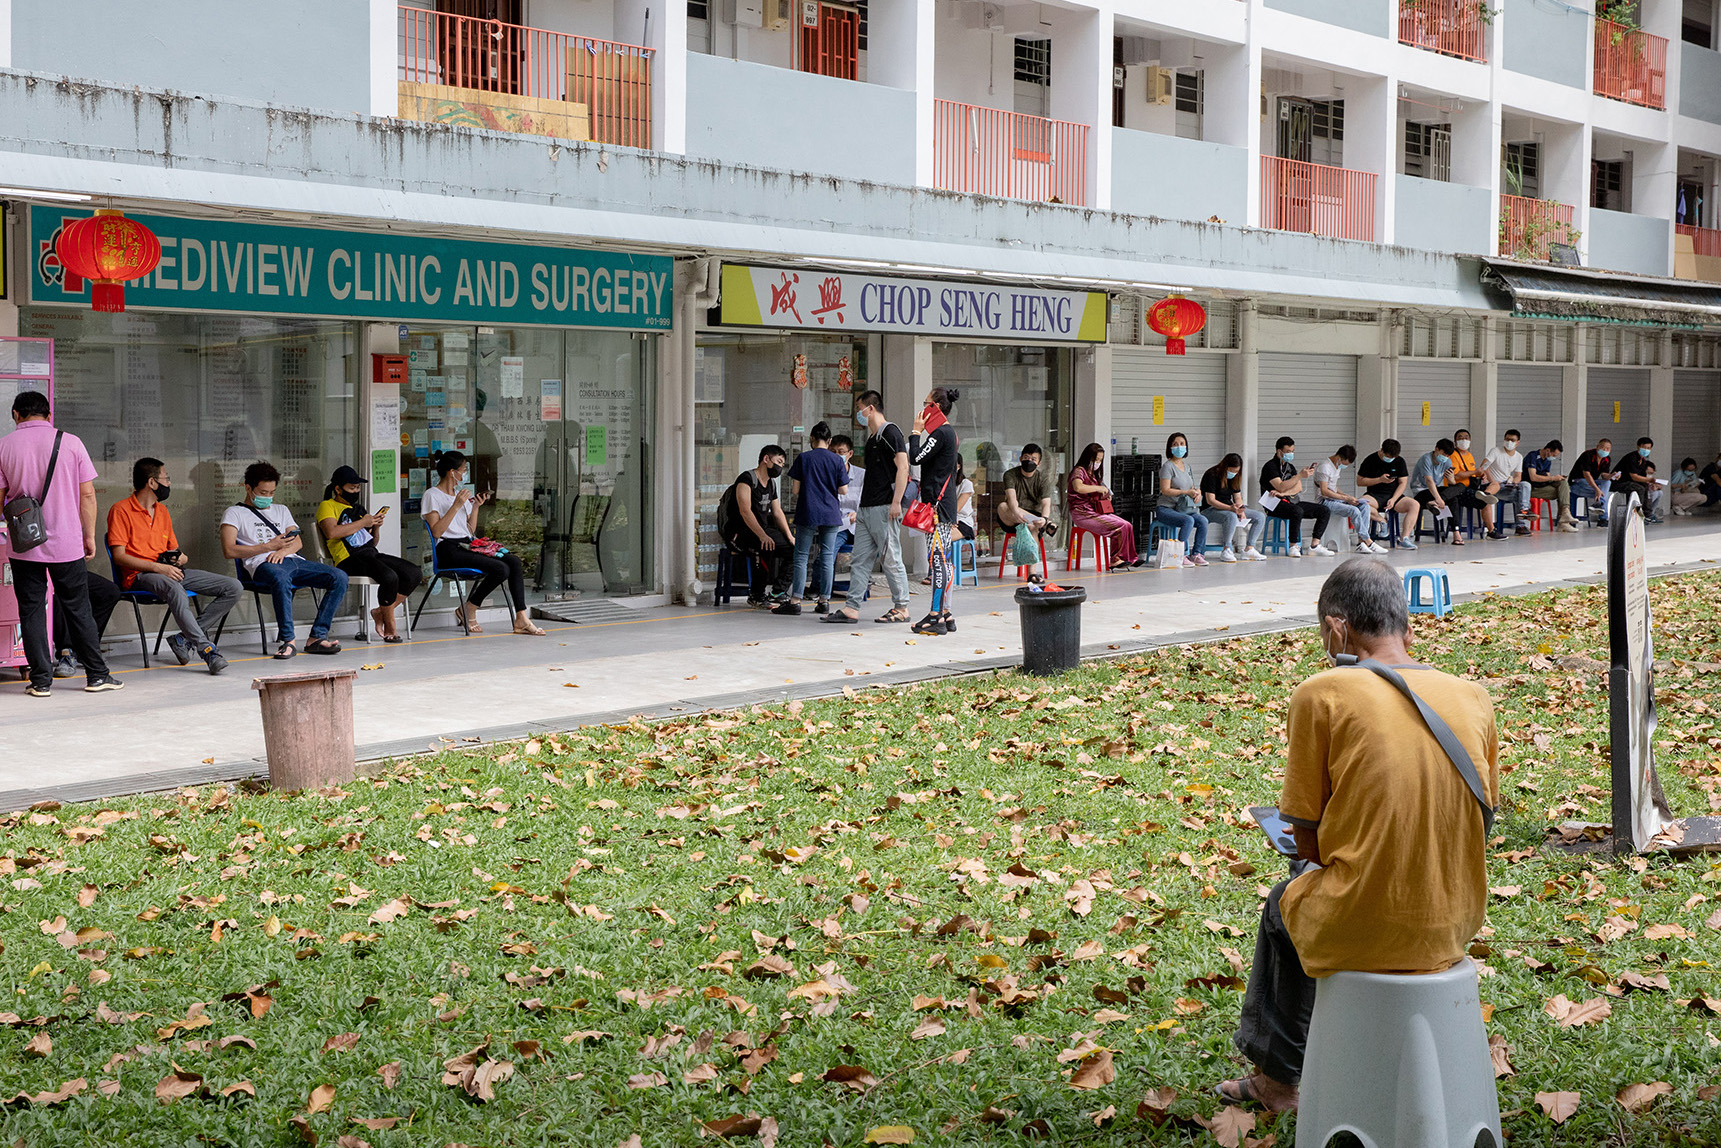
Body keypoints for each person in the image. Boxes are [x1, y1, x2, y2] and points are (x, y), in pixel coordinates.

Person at [1216, 558, 1498, 1113]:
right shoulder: (1474, 696)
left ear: (1336, 628)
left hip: (1366, 920)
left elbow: (1307, 838)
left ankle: (1277, 1083)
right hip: (1456, 920)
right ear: (1407, 628)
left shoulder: (1322, 693)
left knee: (1283, 906)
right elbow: (1480, 818)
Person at [0, 390, 122, 696]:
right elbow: (88, 494)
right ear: (48, 414)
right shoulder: (71, 442)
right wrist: (89, 535)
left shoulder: (4, 446)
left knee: (31, 610)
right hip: (67, 543)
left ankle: (40, 681)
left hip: (24, 544)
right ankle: (97, 675)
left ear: (16, 414)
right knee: (78, 608)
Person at [108, 456, 239, 673]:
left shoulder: (162, 511)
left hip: (170, 571)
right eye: (166, 478)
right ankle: (206, 649)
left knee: (233, 587)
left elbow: (175, 550)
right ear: (152, 482)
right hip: (140, 575)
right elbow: (120, 556)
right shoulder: (120, 510)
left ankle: (183, 639)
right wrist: (159, 567)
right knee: (175, 588)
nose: (169, 483)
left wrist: (180, 559)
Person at [222, 461, 350, 657]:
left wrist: (281, 551)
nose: (268, 497)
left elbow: (297, 541)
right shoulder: (234, 513)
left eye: (272, 492)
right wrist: (268, 547)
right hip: (262, 564)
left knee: (339, 577)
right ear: (248, 488)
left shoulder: (281, 510)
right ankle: (288, 641)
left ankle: (317, 636)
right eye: (263, 492)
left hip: (291, 559)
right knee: (281, 578)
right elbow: (229, 550)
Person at [421, 451, 544, 636]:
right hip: (447, 550)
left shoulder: (459, 495)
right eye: (462, 470)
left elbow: (469, 530)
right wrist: (456, 505)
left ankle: (521, 617)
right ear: (451, 472)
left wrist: (476, 507)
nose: (464, 475)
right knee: (500, 569)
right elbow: (437, 531)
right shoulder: (432, 495)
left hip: (467, 545)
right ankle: (469, 608)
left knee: (513, 561)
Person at [825, 391, 912, 625]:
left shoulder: (890, 432)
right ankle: (852, 608)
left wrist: (896, 502)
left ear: (871, 408)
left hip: (884, 507)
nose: (858, 413)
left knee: (891, 557)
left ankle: (902, 607)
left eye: (860, 408)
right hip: (866, 509)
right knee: (860, 560)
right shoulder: (873, 438)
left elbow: (903, 468)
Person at [316, 464, 421, 642]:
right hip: (348, 560)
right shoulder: (328, 506)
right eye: (352, 488)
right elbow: (332, 532)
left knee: (413, 573)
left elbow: (371, 543)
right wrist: (363, 522)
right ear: (338, 489)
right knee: (389, 577)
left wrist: (375, 527)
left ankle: (379, 613)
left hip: (369, 554)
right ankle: (390, 627)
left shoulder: (359, 510)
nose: (356, 491)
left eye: (358, 488)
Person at [775, 424, 847, 617]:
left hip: (808, 511)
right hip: (830, 513)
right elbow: (844, 490)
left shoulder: (804, 458)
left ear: (811, 439)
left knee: (801, 555)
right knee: (827, 557)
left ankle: (796, 600)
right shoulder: (837, 460)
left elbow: (796, 490)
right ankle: (824, 601)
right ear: (830, 441)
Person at [909, 386, 962, 635]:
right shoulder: (948, 434)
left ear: (936, 407)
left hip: (938, 508)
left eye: (926, 403)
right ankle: (947, 613)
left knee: (938, 561)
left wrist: (915, 433)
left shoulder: (940, 433)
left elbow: (916, 457)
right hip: (944, 505)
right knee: (944, 561)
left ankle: (935, 616)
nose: (922, 408)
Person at [721, 444, 794, 608]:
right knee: (765, 545)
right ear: (766, 459)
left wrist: (790, 537)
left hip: (761, 530)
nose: (780, 467)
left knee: (795, 550)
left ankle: (778, 592)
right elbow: (745, 511)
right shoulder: (746, 479)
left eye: (782, 464)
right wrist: (762, 535)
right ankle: (756, 595)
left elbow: (777, 512)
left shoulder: (771, 484)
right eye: (779, 461)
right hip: (738, 533)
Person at [1068, 442, 1143, 570]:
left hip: (1095, 510)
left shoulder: (1094, 475)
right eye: (1095, 459)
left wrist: (1105, 494)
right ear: (1088, 458)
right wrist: (1098, 488)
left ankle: (1129, 557)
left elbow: (1102, 490)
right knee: (1119, 527)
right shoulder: (1079, 471)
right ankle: (1115, 559)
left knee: (1128, 525)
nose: (1097, 463)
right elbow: (1078, 487)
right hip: (1082, 512)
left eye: (1100, 460)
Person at [1260, 437, 1335, 558]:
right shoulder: (1270, 467)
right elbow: (1280, 486)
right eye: (1288, 451)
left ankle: (1315, 545)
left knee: (1324, 510)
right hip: (1273, 504)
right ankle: (1293, 546)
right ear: (1279, 451)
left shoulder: (1290, 467)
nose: (1291, 454)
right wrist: (1299, 476)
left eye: (1292, 451)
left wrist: (1284, 494)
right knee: (1297, 511)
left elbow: (1298, 488)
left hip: (1290, 501)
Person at [1313, 445, 1386, 554]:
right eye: (1345, 464)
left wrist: (1347, 497)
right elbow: (1325, 491)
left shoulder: (1336, 466)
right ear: (1339, 458)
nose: (1344, 467)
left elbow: (1333, 487)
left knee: (1364, 506)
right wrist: (1345, 498)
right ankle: (1369, 542)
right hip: (1325, 501)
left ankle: (1361, 543)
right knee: (1354, 510)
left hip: (1335, 500)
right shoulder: (1324, 467)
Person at [51, 573, 121, 680]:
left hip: (71, 567)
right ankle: (66, 653)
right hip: (46, 571)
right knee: (58, 591)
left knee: (110, 592)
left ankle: (86, 648)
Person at [998, 443, 1056, 569]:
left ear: (1039, 463)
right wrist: (1016, 513)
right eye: (1026, 457)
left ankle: (1032, 574)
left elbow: (1046, 502)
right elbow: (1012, 500)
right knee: (1002, 506)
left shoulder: (1043, 478)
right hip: (1012, 517)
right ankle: (1045, 524)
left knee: (1031, 526)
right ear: (1020, 459)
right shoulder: (1010, 474)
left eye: (1033, 459)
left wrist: (1044, 517)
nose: (1029, 461)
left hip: (1034, 518)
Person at [1200, 453, 1267, 562]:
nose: (1234, 474)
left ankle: (1249, 549)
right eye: (1232, 471)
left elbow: (1238, 497)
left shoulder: (1235, 477)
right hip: (1209, 510)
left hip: (1230, 508)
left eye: (1236, 471)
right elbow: (1210, 500)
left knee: (1259, 516)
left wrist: (1241, 509)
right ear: (1225, 467)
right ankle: (1226, 549)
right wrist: (1231, 508)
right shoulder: (1211, 475)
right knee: (1231, 516)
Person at [1156, 433, 1210, 568]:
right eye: (1175, 444)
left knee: (1202, 520)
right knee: (1188, 520)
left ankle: (1196, 554)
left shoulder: (1188, 467)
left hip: (1184, 508)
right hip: (1166, 509)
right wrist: (1185, 492)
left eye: (1182, 444)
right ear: (1170, 447)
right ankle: (1181, 555)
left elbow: (1190, 486)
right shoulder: (1167, 467)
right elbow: (1165, 490)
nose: (1179, 447)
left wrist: (1196, 493)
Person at [1354, 439, 1419, 550]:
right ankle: (1382, 521)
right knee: (1361, 503)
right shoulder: (1370, 460)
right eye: (1388, 457)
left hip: (1394, 495)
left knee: (1414, 505)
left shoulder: (1399, 461)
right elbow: (1360, 481)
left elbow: (1403, 482)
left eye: (1393, 458)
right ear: (1381, 450)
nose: (1390, 460)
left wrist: (1394, 499)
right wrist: (1379, 480)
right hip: (1375, 495)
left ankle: (1405, 538)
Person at [1409, 438, 1472, 547]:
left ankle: (1456, 532)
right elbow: (1429, 481)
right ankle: (1457, 534)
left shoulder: (1447, 461)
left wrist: (1451, 479)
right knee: (1452, 499)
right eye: (1444, 454)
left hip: (1436, 493)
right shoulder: (1426, 459)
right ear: (1436, 449)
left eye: (1448, 456)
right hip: (1421, 492)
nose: (1445, 458)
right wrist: (1439, 498)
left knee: (1460, 487)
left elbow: (1452, 486)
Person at [1447, 429, 1504, 540]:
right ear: (1455, 442)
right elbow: (1456, 475)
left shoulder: (1469, 455)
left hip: (1471, 487)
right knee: (1485, 502)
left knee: (1495, 484)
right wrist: (1474, 472)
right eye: (1460, 438)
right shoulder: (1453, 456)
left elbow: (1471, 474)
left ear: (1470, 440)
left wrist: (1479, 476)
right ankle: (1491, 531)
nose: (1464, 440)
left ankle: (1486, 493)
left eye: (1466, 437)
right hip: (1458, 490)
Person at [1522, 440, 1582, 532]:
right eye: (1554, 455)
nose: (1554, 457)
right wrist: (1553, 478)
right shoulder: (1533, 456)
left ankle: (1565, 513)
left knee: (1563, 483)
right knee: (1562, 492)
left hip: (1542, 486)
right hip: (1532, 488)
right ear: (1548, 450)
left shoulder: (1547, 461)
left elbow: (1547, 476)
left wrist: (1557, 478)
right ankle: (1563, 522)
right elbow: (1533, 477)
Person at [1482, 429, 1531, 536]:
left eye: (1512, 440)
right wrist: (1493, 482)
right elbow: (1484, 466)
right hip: (1493, 487)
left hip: (1507, 486)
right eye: (1507, 439)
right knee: (1520, 495)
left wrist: (1513, 482)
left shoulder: (1518, 457)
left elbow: (1518, 476)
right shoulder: (1496, 451)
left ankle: (1524, 511)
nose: (1509, 442)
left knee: (1524, 486)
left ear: (1518, 442)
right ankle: (1521, 523)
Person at [1612, 436, 1661, 522]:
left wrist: (1651, 482)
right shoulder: (1631, 458)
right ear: (1638, 446)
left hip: (1631, 482)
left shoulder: (1643, 461)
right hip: (1619, 483)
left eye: (1648, 448)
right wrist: (1649, 480)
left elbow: (1642, 477)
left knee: (1645, 487)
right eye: (1644, 447)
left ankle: (1647, 514)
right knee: (1639, 488)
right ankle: (1637, 514)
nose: (1646, 450)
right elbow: (1634, 476)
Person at [1570, 438, 1617, 526]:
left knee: (1607, 483)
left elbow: (1604, 475)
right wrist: (1597, 489)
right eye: (1603, 448)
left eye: (1607, 449)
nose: (1605, 450)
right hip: (1577, 482)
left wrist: (1612, 476)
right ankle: (1603, 517)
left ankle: (1599, 504)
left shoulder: (1606, 459)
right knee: (1604, 493)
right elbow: (1586, 475)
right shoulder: (1587, 455)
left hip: (1590, 484)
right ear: (1597, 447)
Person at [830, 434, 863, 544]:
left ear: (850, 454)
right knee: (828, 552)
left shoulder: (862, 475)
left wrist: (858, 514)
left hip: (859, 525)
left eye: (841, 452)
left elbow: (869, 502)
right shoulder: (826, 476)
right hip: (836, 527)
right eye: (833, 452)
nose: (836, 455)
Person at [953, 456, 977, 543]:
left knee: (942, 538)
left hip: (963, 522)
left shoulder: (966, 484)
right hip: (946, 521)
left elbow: (956, 509)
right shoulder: (943, 484)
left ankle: (948, 557)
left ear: (958, 466)